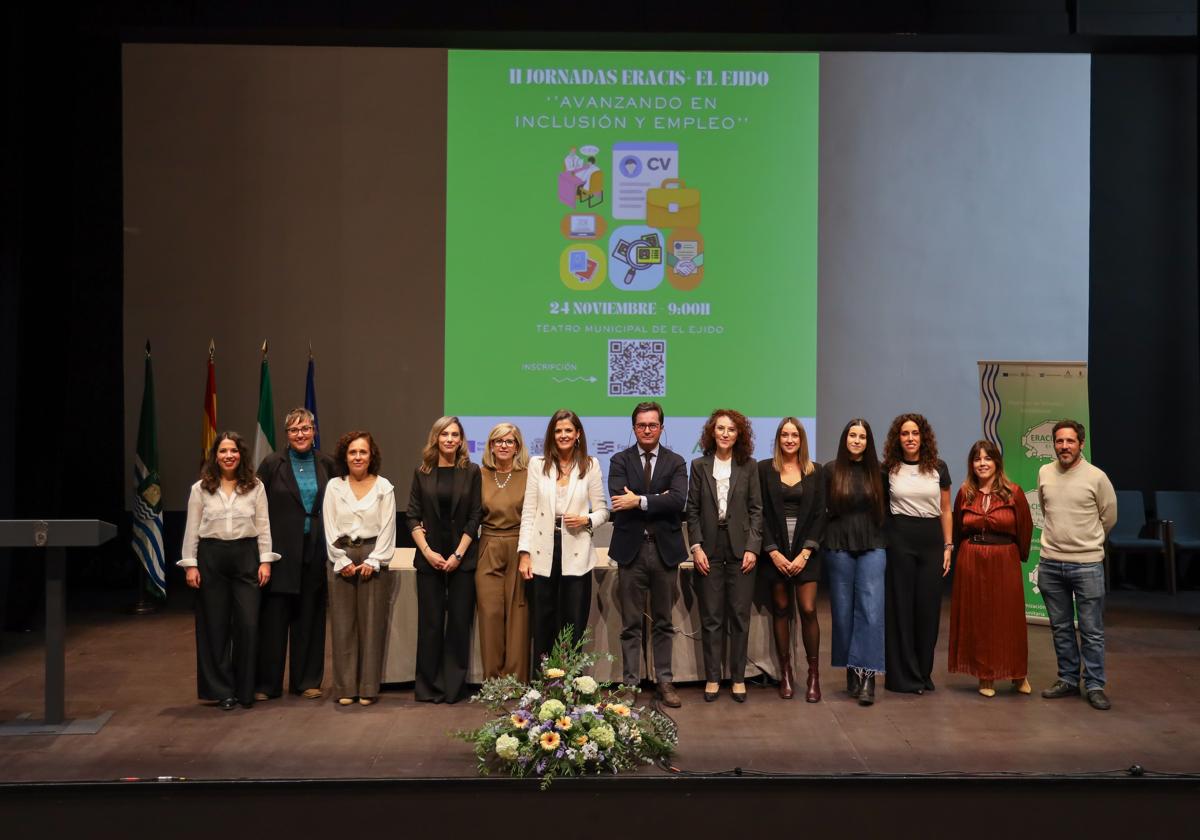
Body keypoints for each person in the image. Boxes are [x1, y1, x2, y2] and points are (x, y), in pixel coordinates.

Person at [178, 432, 277, 710]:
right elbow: (192, 528)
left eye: (233, 450)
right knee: (215, 626)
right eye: (223, 451)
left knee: (248, 624)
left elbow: (264, 525)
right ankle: (223, 690)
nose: (228, 455)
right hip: (212, 557)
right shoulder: (201, 488)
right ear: (215, 456)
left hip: (246, 556)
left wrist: (266, 560)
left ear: (241, 454)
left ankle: (246, 689)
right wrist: (191, 564)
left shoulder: (255, 486)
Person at [608, 401, 689, 707]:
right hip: (631, 551)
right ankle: (630, 683)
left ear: (661, 428)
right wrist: (658, 498)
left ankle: (664, 681)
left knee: (663, 621)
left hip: (665, 550)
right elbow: (619, 500)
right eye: (641, 425)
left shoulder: (676, 462)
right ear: (634, 428)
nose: (647, 430)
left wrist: (640, 501)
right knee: (631, 623)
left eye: (652, 425)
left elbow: (678, 500)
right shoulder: (619, 460)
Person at [254, 408, 338, 702]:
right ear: (286, 435)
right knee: (273, 619)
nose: (300, 434)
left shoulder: (328, 463)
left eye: (305, 429)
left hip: (315, 550)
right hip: (279, 552)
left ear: (314, 431)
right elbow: (257, 507)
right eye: (293, 430)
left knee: (310, 616)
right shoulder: (271, 464)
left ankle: (307, 681)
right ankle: (266, 683)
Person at [518, 410, 610, 665]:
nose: (563, 435)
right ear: (552, 435)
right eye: (558, 431)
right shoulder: (538, 464)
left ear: (578, 434)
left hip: (576, 549)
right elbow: (528, 512)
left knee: (573, 622)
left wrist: (586, 519)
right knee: (543, 622)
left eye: (568, 430)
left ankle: (569, 686)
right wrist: (524, 554)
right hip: (542, 549)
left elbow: (603, 511)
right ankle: (543, 687)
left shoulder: (590, 465)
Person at [1037, 419, 1117, 711]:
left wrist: (1088, 542)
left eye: (1070, 441)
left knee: (1091, 630)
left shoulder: (1097, 477)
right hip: (1050, 563)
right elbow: (1048, 510)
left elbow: (1109, 517)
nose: (1064, 446)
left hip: (1086, 565)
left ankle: (1095, 685)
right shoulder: (1045, 472)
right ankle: (1068, 680)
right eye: (1059, 441)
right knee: (1060, 628)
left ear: (1081, 444)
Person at [686, 409, 762, 703]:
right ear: (712, 432)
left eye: (731, 429)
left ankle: (739, 678)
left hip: (741, 549)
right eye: (720, 428)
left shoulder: (749, 466)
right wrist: (696, 547)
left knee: (740, 616)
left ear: (739, 434)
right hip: (709, 547)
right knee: (712, 617)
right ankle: (713, 677)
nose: (725, 433)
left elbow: (757, 511)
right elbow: (691, 511)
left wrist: (753, 548)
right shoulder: (699, 465)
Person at [406, 416, 482, 704]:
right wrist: (428, 551)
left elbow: (476, 516)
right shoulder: (422, 472)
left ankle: (453, 688)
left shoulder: (472, 471)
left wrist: (458, 555)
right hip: (429, 559)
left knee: (459, 624)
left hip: (462, 559)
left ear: (461, 440)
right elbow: (412, 515)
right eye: (444, 434)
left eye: (455, 435)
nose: (449, 439)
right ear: (435, 438)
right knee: (431, 624)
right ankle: (428, 687)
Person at [948, 440, 1034, 697]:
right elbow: (958, 528)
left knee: (1009, 618)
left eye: (987, 458)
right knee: (979, 619)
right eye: (977, 459)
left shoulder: (1014, 492)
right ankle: (985, 676)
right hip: (972, 560)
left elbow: (1025, 528)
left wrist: (1015, 557)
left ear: (997, 462)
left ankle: (1018, 674)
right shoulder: (965, 493)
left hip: (1004, 560)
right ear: (971, 465)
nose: (982, 463)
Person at [322, 430, 396, 707]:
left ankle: (367, 687)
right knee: (342, 625)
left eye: (362, 452)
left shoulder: (384, 487)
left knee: (371, 624)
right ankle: (345, 687)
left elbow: (388, 528)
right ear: (345, 456)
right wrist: (339, 560)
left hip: (372, 555)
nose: (357, 456)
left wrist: (374, 561)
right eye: (352, 452)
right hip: (341, 555)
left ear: (371, 455)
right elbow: (329, 525)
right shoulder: (334, 486)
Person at [881, 413, 953, 695]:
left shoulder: (938, 467)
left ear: (923, 437)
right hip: (899, 540)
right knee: (901, 609)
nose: (910, 438)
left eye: (915, 433)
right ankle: (902, 676)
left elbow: (946, 509)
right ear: (897, 439)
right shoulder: (889, 468)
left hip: (931, 543)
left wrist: (948, 546)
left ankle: (923, 673)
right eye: (904, 434)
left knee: (928, 610)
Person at [758, 418, 826, 701]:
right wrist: (772, 551)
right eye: (784, 435)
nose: (789, 439)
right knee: (781, 609)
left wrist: (805, 552)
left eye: (794, 435)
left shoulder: (815, 471)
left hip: (805, 552)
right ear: (778, 439)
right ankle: (785, 672)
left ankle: (813, 675)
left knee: (808, 609)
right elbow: (757, 512)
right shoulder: (764, 469)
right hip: (774, 551)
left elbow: (821, 514)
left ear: (801, 439)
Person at [824, 419, 887, 706]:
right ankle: (851, 667)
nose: (857, 440)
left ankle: (867, 678)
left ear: (868, 441)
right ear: (845, 438)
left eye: (862, 436)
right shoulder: (831, 470)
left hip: (873, 544)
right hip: (838, 545)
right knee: (843, 613)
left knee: (871, 611)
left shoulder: (880, 471)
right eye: (852, 435)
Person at [476, 423, 532, 681]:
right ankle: (493, 682)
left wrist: (527, 552)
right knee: (490, 615)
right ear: (490, 446)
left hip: (518, 546)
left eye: (509, 441)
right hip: (488, 545)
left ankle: (515, 681)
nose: (503, 445)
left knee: (518, 617)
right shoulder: (479, 475)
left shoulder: (528, 474)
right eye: (498, 441)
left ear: (517, 446)